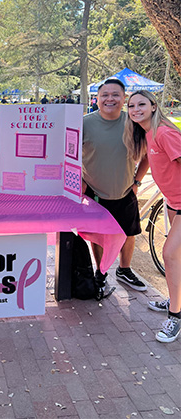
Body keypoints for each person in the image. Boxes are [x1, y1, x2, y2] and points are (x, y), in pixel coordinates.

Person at [82, 79, 150, 299]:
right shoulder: (83, 123)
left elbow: (149, 154)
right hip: (94, 192)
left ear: (124, 99)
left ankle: (124, 269)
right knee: (98, 236)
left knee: (129, 233)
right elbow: (68, 155)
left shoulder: (133, 122)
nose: (109, 99)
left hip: (125, 190)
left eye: (115, 95)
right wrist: (79, 182)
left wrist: (137, 182)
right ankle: (100, 274)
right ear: (98, 98)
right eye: (105, 95)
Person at [124, 90, 181, 343]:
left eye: (141, 104)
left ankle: (175, 317)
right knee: (176, 257)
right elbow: (148, 158)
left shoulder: (165, 133)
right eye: (132, 106)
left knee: (169, 254)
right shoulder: (148, 133)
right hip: (172, 201)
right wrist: (137, 180)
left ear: (154, 106)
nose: (136, 109)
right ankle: (176, 299)